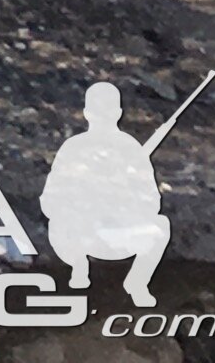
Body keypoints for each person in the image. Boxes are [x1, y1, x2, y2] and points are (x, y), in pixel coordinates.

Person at [43, 81, 175, 306]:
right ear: (87, 113)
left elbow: (152, 202)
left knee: (160, 226)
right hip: (79, 236)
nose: (103, 116)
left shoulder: (131, 149)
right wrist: (83, 203)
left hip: (117, 237)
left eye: (107, 111)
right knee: (61, 222)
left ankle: (137, 283)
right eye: (98, 111)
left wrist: (123, 199)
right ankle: (78, 266)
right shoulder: (73, 148)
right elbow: (49, 201)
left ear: (118, 113)